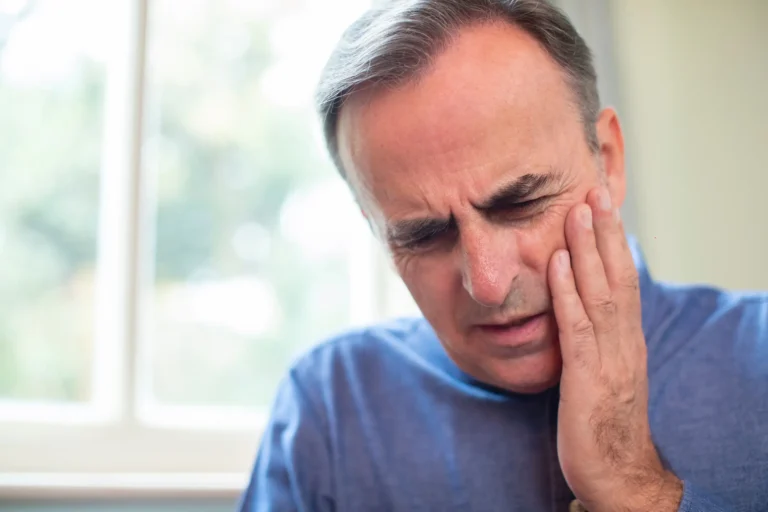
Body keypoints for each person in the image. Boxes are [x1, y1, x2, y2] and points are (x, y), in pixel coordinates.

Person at [239, 0, 768, 510]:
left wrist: (635, 490)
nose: (488, 284)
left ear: (606, 160)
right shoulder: (330, 407)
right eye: (422, 234)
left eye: (521, 203)